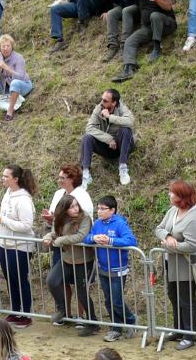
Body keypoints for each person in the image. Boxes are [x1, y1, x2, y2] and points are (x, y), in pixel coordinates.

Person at [41, 163, 94, 329]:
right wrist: (51, 227)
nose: (59, 181)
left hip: (79, 251)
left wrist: (60, 238)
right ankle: (64, 311)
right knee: (58, 280)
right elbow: (58, 222)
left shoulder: (82, 196)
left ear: (72, 179)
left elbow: (82, 224)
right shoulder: (59, 194)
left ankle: (84, 316)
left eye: (63, 178)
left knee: (80, 286)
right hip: (63, 249)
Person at [155, 179, 196, 349]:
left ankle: (190, 335)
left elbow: (193, 245)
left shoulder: (195, 216)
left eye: (173, 193)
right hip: (171, 263)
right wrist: (168, 236)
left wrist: (170, 246)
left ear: (182, 196)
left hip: (186, 266)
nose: (170, 195)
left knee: (186, 299)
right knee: (173, 295)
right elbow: (159, 228)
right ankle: (178, 329)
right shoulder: (172, 211)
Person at [0, 165, 38, 327]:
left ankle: (26, 314)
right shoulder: (8, 194)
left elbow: (26, 225)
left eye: (6, 176)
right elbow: (6, 216)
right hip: (4, 243)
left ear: (15, 179)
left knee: (20, 279)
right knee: (10, 279)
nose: (3, 178)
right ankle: (15, 310)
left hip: (20, 246)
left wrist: (3, 221)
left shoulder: (24, 199)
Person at [89, 195, 137, 342]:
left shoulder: (119, 224)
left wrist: (111, 240)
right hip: (103, 268)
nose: (99, 211)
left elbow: (131, 240)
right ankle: (115, 328)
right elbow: (86, 237)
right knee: (108, 300)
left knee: (116, 300)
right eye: (98, 208)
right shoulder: (97, 223)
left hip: (118, 269)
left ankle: (130, 321)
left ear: (112, 210)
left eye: (103, 209)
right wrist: (93, 239)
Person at [112, 0, 175, 79]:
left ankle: (157, 48)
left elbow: (168, 7)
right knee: (129, 41)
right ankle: (129, 68)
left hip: (166, 24)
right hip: (147, 27)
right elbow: (135, 4)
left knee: (154, 15)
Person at [80, 89, 134, 186]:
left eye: (105, 101)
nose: (102, 102)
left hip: (123, 145)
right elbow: (89, 128)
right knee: (87, 138)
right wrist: (109, 139)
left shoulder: (121, 107)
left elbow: (130, 121)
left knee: (126, 130)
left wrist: (110, 117)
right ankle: (85, 174)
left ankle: (123, 168)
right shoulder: (99, 108)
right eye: (102, 99)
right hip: (108, 147)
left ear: (114, 103)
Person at [0, 34, 32, 123]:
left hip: (23, 85)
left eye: (8, 46)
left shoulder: (19, 57)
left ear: (12, 47)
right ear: (0, 47)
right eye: (3, 46)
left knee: (15, 83)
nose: (5, 48)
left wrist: (6, 68)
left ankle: (10, 112)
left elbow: (20, 77)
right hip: (4, 86)